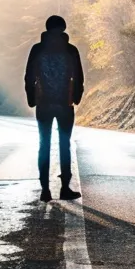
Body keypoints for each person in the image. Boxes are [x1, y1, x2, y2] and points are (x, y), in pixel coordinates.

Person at [24, 15, 84, 202]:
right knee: (64, 145)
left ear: (46, 28)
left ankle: (45, 190)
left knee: (44, 144)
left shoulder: (38, 49)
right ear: (64, 28)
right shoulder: (70, 50)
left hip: (44, 103)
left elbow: (29, 77)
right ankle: (65, 188)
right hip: (64, 103)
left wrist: (32, 99)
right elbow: (79, 77)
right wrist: (75, 98)